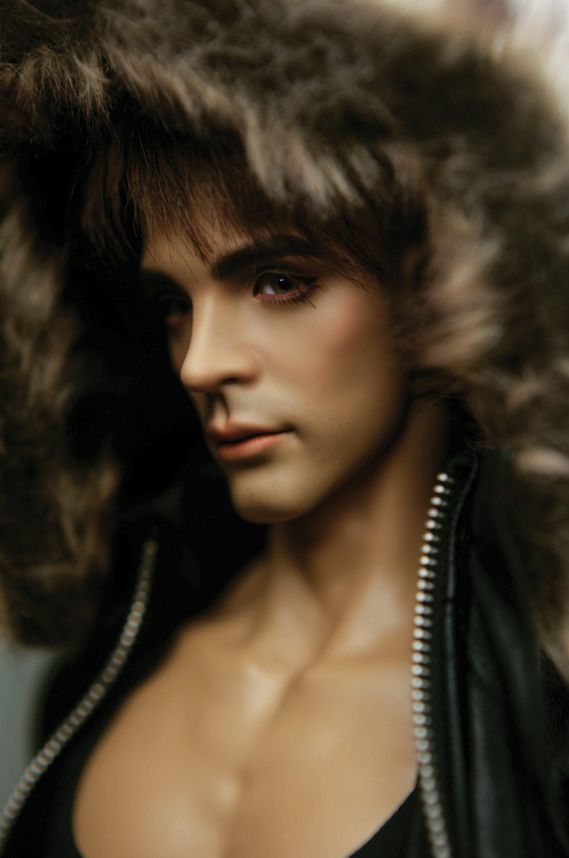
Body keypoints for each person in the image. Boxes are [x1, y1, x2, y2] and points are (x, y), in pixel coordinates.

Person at [1, 0, 569, 856]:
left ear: (440, 278)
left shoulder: (540, 696)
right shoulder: (110, 655)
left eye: (276, 282)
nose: (199, 363)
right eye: (172, 304)